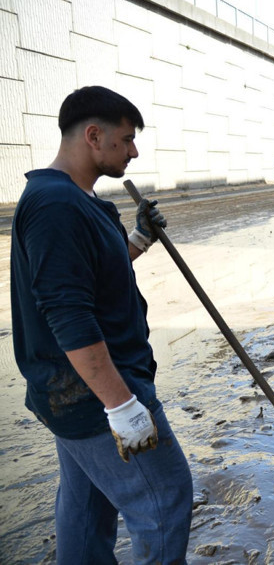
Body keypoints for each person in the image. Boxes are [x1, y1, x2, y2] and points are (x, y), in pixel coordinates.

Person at [10, 86, 193, 563]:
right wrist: (122, 406)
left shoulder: (77, 200)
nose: (134, 151)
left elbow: (95, 277)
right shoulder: (55, 206)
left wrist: (139, 238)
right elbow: (68, 314)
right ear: (93, 135)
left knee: (87, 514)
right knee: (165, 501)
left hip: (73, 396)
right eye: (127, 139)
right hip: (96, 395)